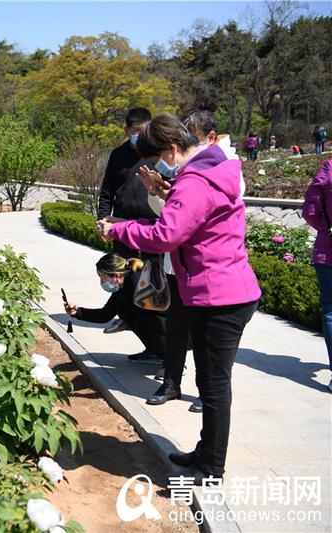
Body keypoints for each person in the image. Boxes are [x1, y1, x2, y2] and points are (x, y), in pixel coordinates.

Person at [97, 114, 261, 484]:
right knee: (209, 381)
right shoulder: (209, 169)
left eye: (156, 157)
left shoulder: (195, 181)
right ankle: (204, 451)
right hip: (217, 290)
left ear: (172, 148)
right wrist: (166, 191)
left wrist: (119, 228)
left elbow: (166, 235)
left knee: (214, 386)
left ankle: (211, 468)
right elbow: (197, 216)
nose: (155, 165)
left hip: (221, 296)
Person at [63, 253, 165, 364]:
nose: (102, 281)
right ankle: (156, 352)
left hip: (177, 328)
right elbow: (105, 315)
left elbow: (162, 313)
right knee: (125, 312)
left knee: (144, 322)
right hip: (162, 325)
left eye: (102, 277)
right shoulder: (122, 288)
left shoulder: (138, 283)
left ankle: (172, 361)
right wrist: (77, 312)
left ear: (116, 275)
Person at [98, 108, 158, 260]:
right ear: (127, 130)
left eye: (144, 130)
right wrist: (103, 220)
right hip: (121, 224)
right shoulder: (117, 154)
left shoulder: (157, 154)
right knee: (124, 276)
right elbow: (107, 191)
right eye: (136, 130)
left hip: (149, 227)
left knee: (152, 276)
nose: (141, 135)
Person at [301, 158, 332, 392]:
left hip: (328, 251)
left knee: (331, 312)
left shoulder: (329, 168)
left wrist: (325, 226)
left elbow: (310, 209)